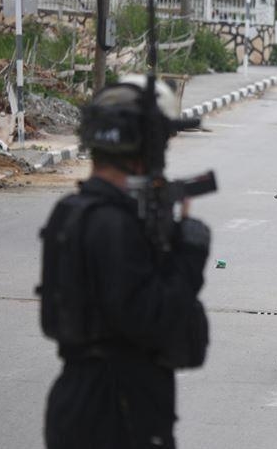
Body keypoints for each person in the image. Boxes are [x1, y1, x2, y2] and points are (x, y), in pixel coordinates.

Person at [39, 77, 211, 448]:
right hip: (120, 408)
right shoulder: (115, 224)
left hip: (79, 399)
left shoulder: (71, 211)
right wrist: (188, 256)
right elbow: (153, 320)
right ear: (146, 144)